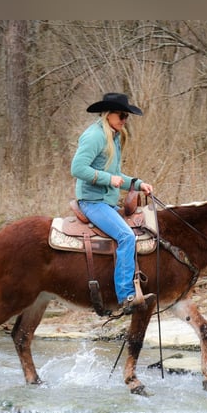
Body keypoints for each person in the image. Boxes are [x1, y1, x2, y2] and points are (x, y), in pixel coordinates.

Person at [71, 92, 155, 314]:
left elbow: (116, 175)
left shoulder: (113, 136)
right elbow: (77, 169)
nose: (124, 120)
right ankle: (126, 295)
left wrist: (138, 184)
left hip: (106, 201)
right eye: (121, 115)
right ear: (108, 114)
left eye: (126, 116)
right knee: (126, 236)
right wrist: (109, 179)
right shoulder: (94, 137)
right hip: (92, 201)